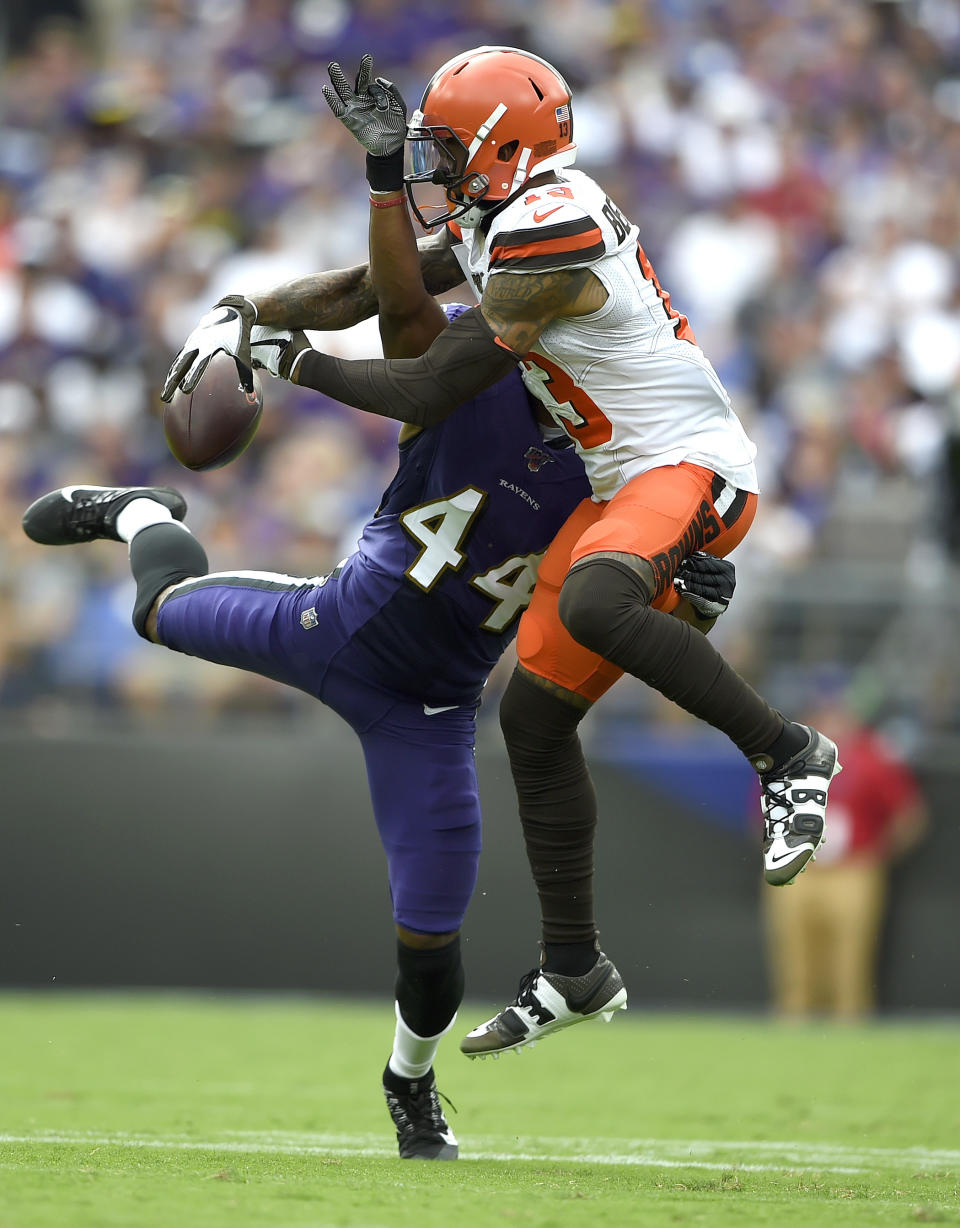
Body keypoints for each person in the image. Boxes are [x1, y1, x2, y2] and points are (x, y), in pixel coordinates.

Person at [24, 137, 730, 1158]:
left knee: (432, 944)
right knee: (156, 607)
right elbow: (393, 299)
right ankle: (137, 513)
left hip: (435, 711)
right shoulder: (463, 380)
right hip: (334, 626)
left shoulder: (620, 474)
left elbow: (620, 629)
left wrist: (692, 588)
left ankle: (408, 1084)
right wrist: (383, 186)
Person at [194, 48, 841, 1059]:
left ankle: (789, 755)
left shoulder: (552, 224)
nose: (437, 166)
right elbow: (375, 286)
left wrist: (289, 362)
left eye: (452, 148)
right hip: (619, 484)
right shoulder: (508, 217)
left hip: (686, 464)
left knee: (589, 605)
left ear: (504, 146)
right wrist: (250, 310)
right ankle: (575, 967)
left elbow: (426, 385)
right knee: (533, 719)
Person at [763, 693, 927, 1019]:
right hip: (800, 869)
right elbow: (763, 809)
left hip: (853, 869)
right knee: (793, 955)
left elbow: (909, 816)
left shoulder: (873, 757)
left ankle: (850, 1021)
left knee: (850, 958)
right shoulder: (789, 757)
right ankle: (792, 1021)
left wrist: (875, 855)